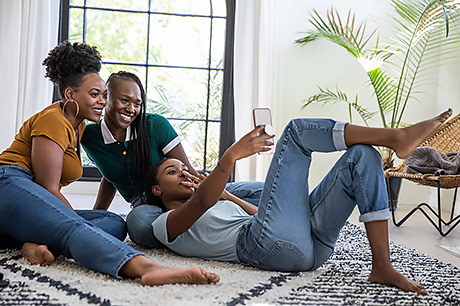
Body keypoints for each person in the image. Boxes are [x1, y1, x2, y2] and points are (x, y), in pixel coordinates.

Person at [144, 109, 453, 294]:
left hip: (309, 250)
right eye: (172, 171)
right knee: (295, 132)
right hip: (261, 249)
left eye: (185, 167)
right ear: (157, 191)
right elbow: (200, 206)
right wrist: (231, 156)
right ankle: (397, 138)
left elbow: (259, 215)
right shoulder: (162, 224)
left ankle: (382, 266)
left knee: (363, 155)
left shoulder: (219, 200)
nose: (183, 171)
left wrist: (229, 196)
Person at [0, 41, 219, 286]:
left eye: (103, 95)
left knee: (114, 222)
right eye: (95, 95)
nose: (102, 101)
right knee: (74, 226)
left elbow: (105, 176)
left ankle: (28, 244)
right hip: (9, 181)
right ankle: (144, 268)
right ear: (71, 94)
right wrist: (76, 225)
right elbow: (48, 187)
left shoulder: (78, 125)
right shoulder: (53, 120)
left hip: (23, 198)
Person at [81, 71, 263, 248]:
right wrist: (97, 213)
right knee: (139, 224)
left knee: (265, 191)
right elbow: (110, 174)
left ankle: (228, 212)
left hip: (186, 190)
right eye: (124, 100)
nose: (131, 109)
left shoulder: (155, 125)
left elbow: (189, 173)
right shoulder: (89, 137)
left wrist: (215, 195)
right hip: (150, 205)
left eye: (137, 103)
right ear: (106, 98)